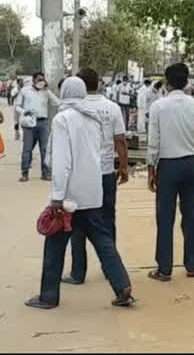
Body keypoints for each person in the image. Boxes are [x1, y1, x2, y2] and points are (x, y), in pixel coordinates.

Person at [24, 76, 135, 310]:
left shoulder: (64, 119)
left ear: (64, 93)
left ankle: (48, 296)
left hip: (70, 196)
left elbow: (63, 161)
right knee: (103, 241)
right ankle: (121, 284)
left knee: (54, 246)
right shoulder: (93, 119)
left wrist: (57, 195)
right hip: (93, 191)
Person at [61, 68, 130, 285]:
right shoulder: (112, 108)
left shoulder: (72, 110)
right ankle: (110, 268)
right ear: (99, 83)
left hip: (80, 175)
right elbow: (120, 140)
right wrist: (124, 166)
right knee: (108, 219)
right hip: (106, 172)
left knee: (77, 224)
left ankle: (77, 272)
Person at [146, 63, 194, 282]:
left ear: (167, 81)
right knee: (192, 215)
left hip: (168, 166)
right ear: (186, 82)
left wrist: (150, 168)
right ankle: (192, 265)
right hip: (192, 165)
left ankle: (164, 268)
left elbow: (153, 141)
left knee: (165, 217)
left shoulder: (158, 106)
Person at [17, 72, 59, 182]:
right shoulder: (25, 91)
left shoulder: (46, 92)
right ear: (34, 80)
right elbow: (17, 106)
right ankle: (24, 172)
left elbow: (56, 102)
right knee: (27, 149)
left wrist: (47, 89)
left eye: (43, 80)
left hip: (43, 123)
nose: (41, 82)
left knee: (45, 149)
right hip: (29, 123)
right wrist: (24, 111)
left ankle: (45, 173)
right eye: (39, 79)